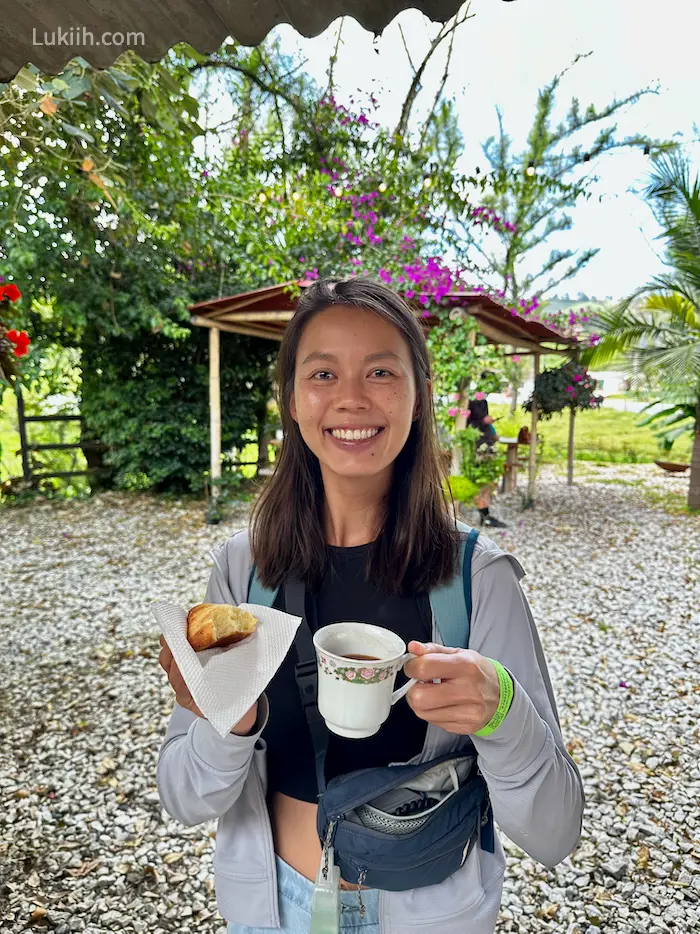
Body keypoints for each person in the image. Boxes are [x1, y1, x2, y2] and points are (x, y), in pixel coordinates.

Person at [157, 277, 584, 934]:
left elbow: (556, 834)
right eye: (323, 372)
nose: (351, 397)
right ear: (294, 402)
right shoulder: (242, 572)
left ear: (417, 399)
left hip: (430, 913)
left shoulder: (478, 579)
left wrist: (502, 713)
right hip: (268, 907)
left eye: (381, 371)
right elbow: (183, 798)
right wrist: (230, 722)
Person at [467, 383, 508, 529]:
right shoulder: (470, 400)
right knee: (482, 479)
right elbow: (470, 422)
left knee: (488, 479)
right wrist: (482, 421)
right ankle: (484, 515)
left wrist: (489, 425)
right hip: (478, 444)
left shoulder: (483, 401)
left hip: (487, 442)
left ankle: (485, 514)